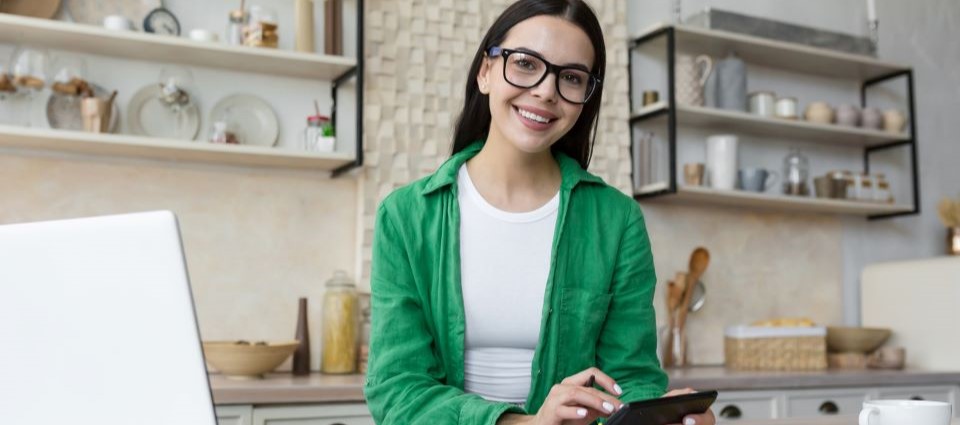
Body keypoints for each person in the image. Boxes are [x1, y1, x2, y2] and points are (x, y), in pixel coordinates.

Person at [364, 1, 717, 424]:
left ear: (585, 98)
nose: (546, 91)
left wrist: (657, 417)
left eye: (571, 77)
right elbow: (397, 389)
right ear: (485, 71)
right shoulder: (405, 217)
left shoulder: (617, 220)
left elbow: (630, 380)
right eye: (526, 64)